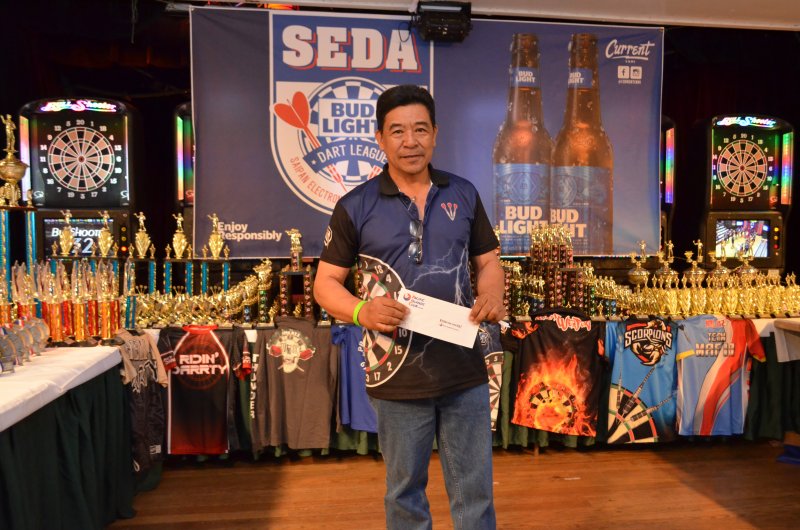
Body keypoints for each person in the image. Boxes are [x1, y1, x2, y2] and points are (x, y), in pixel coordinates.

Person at [314, 84, 505, 530]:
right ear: (380, 138)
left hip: (465, 367)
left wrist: (492, 293)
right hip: (397, 374)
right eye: (398, 131)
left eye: (420, 129)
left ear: (435, 133)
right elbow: (325, 284)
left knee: (475, 494)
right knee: (404, 494)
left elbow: (489, 263)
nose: (410, 141)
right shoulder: (355, 205)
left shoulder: (463, 193)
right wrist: (361, 312)